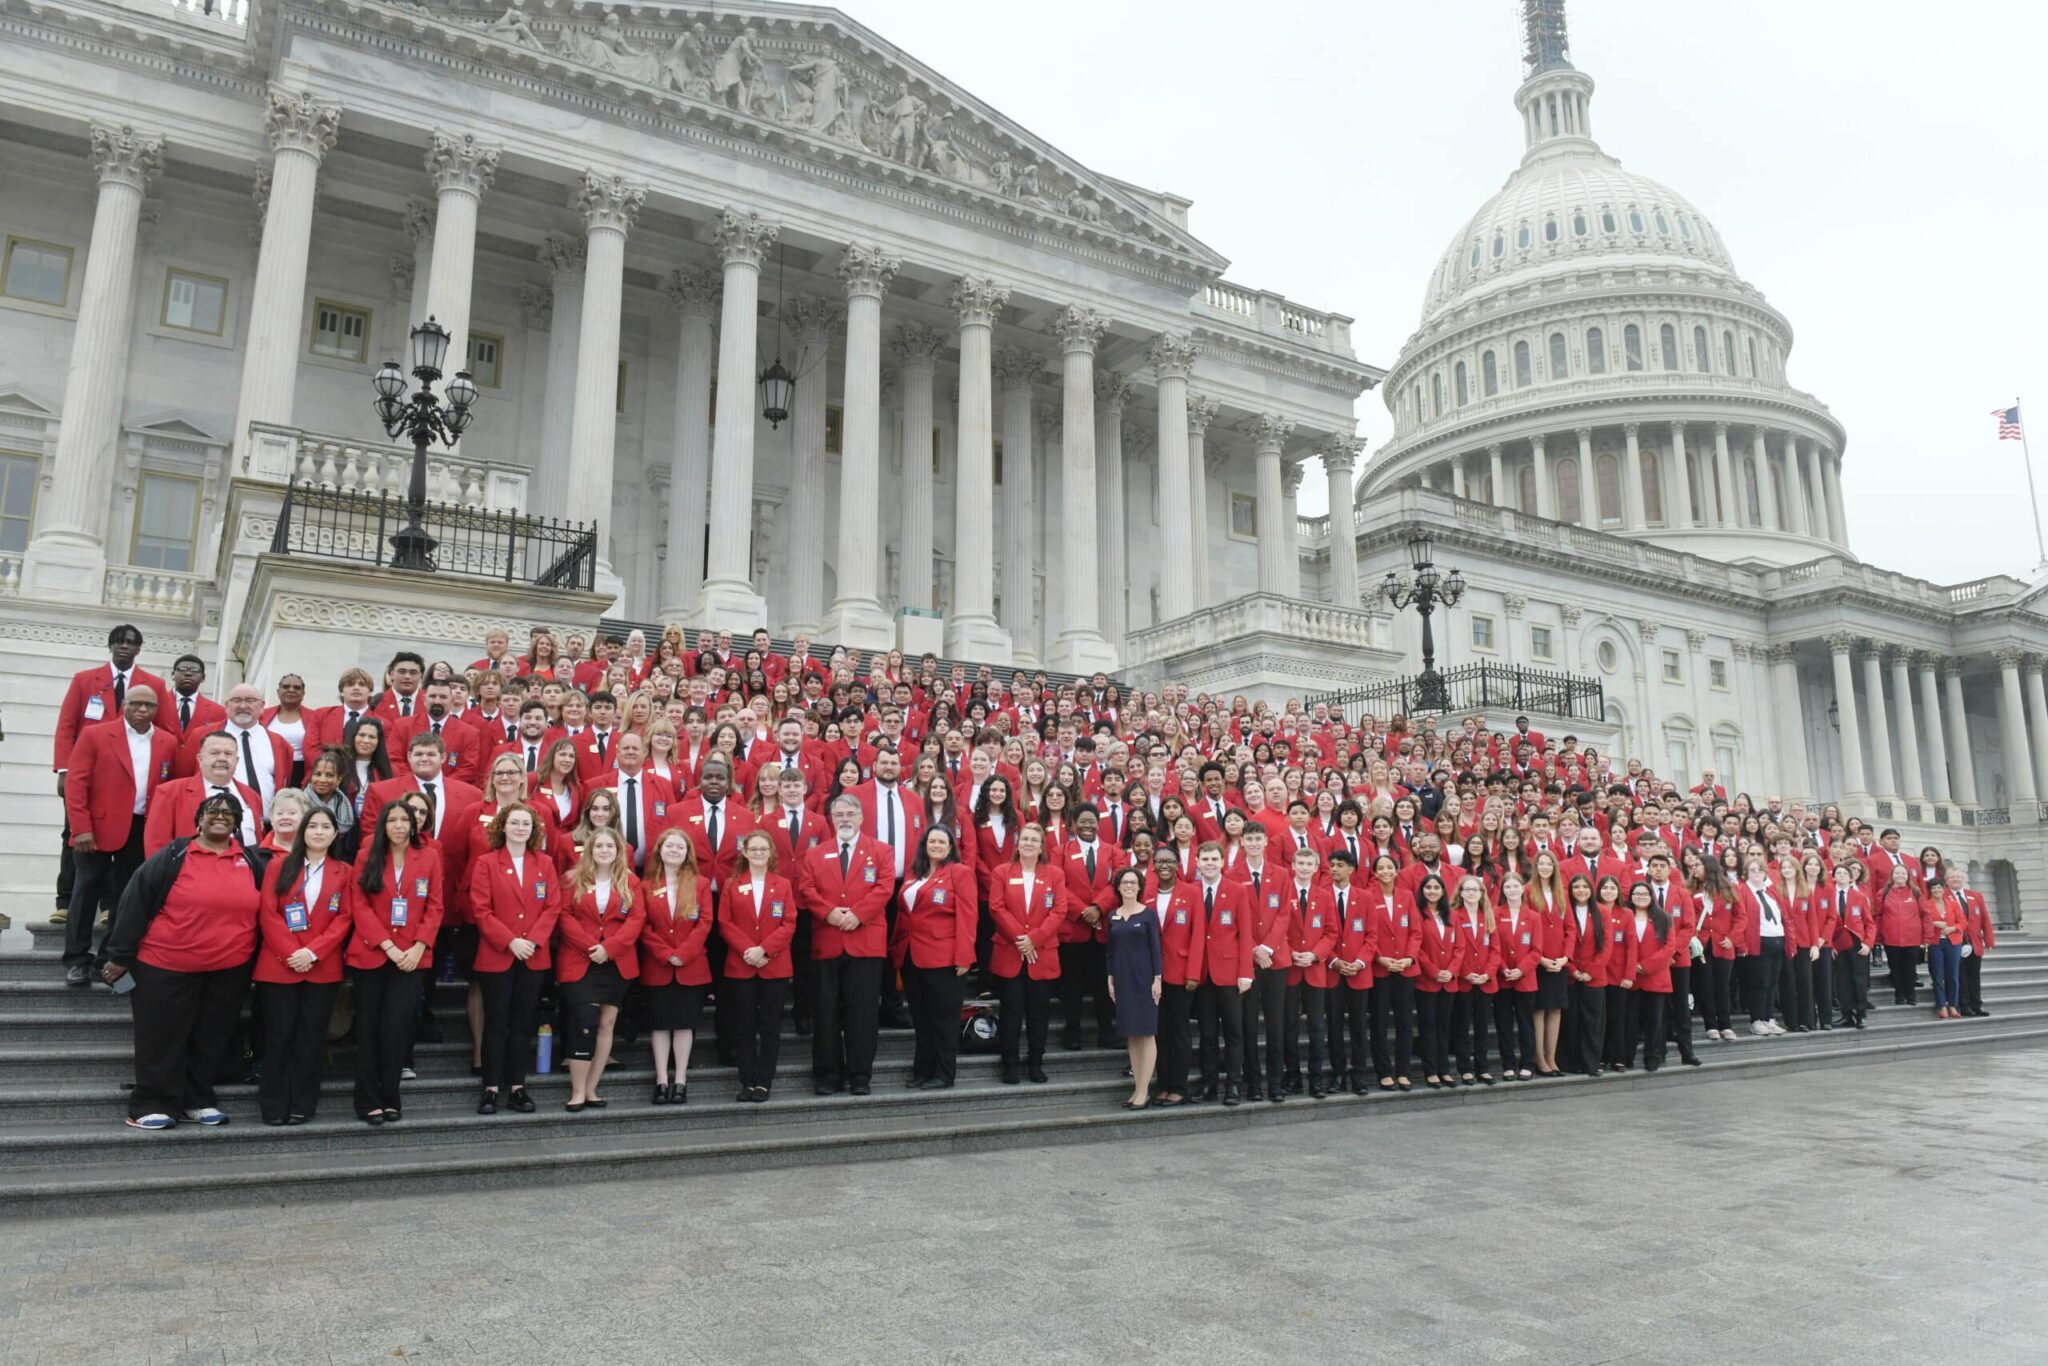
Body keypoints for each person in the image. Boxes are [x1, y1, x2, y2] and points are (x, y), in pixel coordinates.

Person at [100, 790, 267, 1130]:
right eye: (212, 811)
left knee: (209, 1038)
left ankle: (198, 1099)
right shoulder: (174, 855)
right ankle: (151, 1103)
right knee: (160, 1037)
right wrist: (119, 956)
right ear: (199, 820)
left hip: (227, 971)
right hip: (164, 966)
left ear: (237, 822)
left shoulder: (251, 861)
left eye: (228, 812)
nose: (220, 816)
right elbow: (135, 902)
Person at [62, 683, 177, 985]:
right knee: (86, 892)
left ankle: (107, 959)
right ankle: (76, 960)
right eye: (136, 703)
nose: (142, 710)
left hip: (141, 827)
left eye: (149, 706)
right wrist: (81, 828)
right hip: (96, 828)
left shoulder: (166, 741)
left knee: (128, 897)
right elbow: (76, 784)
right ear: (124, 704)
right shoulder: (95, 734)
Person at [344, 800, 443, 1124]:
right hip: (372, 954)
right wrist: (388, 945)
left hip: (411, 959)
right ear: (383, 824)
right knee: (370, 1028)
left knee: (397, 1029)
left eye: (406, 819)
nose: (401, 825)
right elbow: (359, 906)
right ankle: (367, 1100)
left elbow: (435, 906)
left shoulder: (429, 857)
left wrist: (418, 947)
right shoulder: (365, 856)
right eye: (394, 820)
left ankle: (391, 1097)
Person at [253, 806, 351, 1125]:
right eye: (313, 826)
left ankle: (302, 1104)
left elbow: (344, 918)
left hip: (321, 968)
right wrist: (292, 952)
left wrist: (313, 952)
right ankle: (273, 1104)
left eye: (326, 827)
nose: (319, 832)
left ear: (336, 834)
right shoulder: (278, 867)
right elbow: (268, 913)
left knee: (311, 1038)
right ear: (302, 832)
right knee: (278, 1036)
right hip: (279, 966)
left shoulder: (344, 872)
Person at [466, 802, 557, 1115]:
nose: (520, 829)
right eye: (515, 823)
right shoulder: (486, 863)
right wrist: (510, 941)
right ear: (503, 826)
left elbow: (552, 908)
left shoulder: (544, 863)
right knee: (496, 1023)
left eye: (526, 824)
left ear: (533, 831)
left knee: (522, 1023)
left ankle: (518, 1086)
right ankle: (491, 1087)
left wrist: (531, 942)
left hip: (533, 956)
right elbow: (481, 909)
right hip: (497, 955)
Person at [801, 795, 893, 1096]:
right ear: (830, 818)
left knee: (863, 1012)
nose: (844, 819)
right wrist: (829, 913)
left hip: (865, 942)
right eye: (838, 813)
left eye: (850, 813)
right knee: (825, 1012)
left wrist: (858, 914)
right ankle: (828, 1074)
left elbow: (884, 888)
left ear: (861, 817)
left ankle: (859, 1074)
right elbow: (807, 889)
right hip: (827, 941)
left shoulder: (881, 851)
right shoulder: (815, 854)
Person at [556, 829, 644, 1111]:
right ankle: (577, 1091)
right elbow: (564, 916)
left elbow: (636, 918)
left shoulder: (630, 881)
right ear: (589, 849)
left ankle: (592, 1089)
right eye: (599, 845)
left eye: (610, 845)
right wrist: (592, 947)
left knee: (607, 1024)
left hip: (616, 962)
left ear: (619, 851)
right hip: (581, 960)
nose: (604, 850)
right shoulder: (572, 879)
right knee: (584, 1022)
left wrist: (612, 948)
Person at [894, 824, 977, 1089]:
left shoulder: (959, 873)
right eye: (932, 841)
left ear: (951, 847)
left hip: (944, 958)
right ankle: (922, 1070)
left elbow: (968, 916)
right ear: (924, 845)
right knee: (921, 1020)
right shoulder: (913, 874)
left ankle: (944, 1073)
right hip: (911, 957)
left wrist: (964, 956)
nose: (937, 845)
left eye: (943, 841)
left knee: (944, 1020)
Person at [716, 829, 794, 1102]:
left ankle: (764, 1082)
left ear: (771, 853)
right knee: (744, 1025)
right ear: (745, 852)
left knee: (770, 1026)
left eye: (764, 849)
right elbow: (725, 922)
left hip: (775, 966)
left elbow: (789, 923)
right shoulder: (732, 884)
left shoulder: (782, 884)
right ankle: (747, 1081)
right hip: (742, 964)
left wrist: (765, 950)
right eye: (754, 849)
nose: (759, 853)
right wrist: (748, 950)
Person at [990, 821, 1067, 1085]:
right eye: (1025, 839)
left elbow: (1059, 911)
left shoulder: (1054, 874)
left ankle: (1036, 1062)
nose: (1029, 843)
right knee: (1011, 1012)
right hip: (1010, 952)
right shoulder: (1002, 871)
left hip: (1042, 954)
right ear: (1018, 843)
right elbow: (996, 908)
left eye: (1035, 840)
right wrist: (1020, 940)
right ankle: (1009, 1063)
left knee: (1038, 1014)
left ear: (1042, 846)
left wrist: (1034, 939)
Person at [642, 828, 714, 1103]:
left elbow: (705, 922)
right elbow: (643, 925)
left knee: (684, 1024)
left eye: (680, 847)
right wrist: (663, 952)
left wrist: (684, 953)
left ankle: (680, 1080)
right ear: (659, 850)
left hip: (690, 965)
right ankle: (661, 1080)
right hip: (657, 965)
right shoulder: (645, 886)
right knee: (660, 1025)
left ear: (687, 854)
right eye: (669, 846)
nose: (674, 850)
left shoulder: (701, 884)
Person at [1187, 842, 1253, 1106]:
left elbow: (1246, 934)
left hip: (1230, 972)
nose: (1210, 863)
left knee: (1234, 1033)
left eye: (1215, 858)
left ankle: (1233, 1085)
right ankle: (1209, 1083)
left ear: (1223, 862)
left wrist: (1246, 972)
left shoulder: (1236, 891)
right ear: (1198, 862)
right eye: (1205, 859)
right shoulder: (1190, 891)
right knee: (1207, 1033)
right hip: (1202, 973)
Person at [1103, 865, 1162, 1108]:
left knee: (1146, 1033)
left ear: (1139, 887)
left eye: (1133, 882)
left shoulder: (1148, 914)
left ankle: (1144, 1090)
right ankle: (1137, 1088)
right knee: (1132, 1035)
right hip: (1122, 979)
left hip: (1144, 979)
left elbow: (1156, 949)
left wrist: (1158, 978)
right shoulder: (1113, 915)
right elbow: (1110, 950)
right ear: (1118, 886)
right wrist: (1110, 976)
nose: (1128, 886)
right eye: (1124, 882)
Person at [1147, 846, 1201, 1106]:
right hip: (1151, 975)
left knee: (1179, 1032)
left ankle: (1179, 1086)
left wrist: (1193, 973)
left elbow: (1198, 935)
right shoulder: (1146, 893)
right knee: (1158, 1032)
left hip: (1181, 974)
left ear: (1178, 864)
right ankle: (1163, 1084)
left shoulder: (1191, 893)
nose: (1164, 865)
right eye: (1159, 861)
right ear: (1153, 865)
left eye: (1169, 861)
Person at [1618, 881, 1674, 1072]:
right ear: (1630, 896)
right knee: (1630, 1021)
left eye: (1644, 893)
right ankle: (1627, 1056)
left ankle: (1653, 1056)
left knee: (1654, 1021)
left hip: (1655, 977)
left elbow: (1668, 948)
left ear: (1651, 897)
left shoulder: (1664, 918)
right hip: (1630, 977)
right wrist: (1632, 967)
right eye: (1636, 893)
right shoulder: (1624, 916)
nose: (1640, 896)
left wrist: (1645, 965)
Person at [1412, 873, 1457, 1089]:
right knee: (1428, 1028)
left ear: (1443, 891)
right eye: (1428, 887)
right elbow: (1417, 947)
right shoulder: (1418, 914)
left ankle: (1444, 1070)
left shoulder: (1452, 915)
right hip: (1426, 981)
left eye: (1436, 887)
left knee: (1444, 1027)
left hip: (1448, 980)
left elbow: (1461, 947)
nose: (1432, 891)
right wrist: (1433, 970)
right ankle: (1430, 1071)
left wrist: (1451, 970)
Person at [1561, 873, 1607, 1077]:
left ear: (1591, 890)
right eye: (1576, 886)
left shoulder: (1602, 912)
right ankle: (1571, 1062)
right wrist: (1573, 970)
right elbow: (1562, 943)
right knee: (1571, 1021)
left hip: (1593, 978)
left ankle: (1591, 1063)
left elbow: (1606, 947)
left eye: (1585, 886)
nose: (1581, 890)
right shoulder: (1565, 911)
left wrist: (1590, 972)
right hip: (1571, 976)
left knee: (1592, 1023)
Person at [1876, 862, 1930, 1006]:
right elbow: (1877, 915)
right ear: (1892, 876)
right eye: (1897, 873)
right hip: (1891, 938)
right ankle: (1899, 995)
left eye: (1903, 873)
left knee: (1910, 968)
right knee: (1895, 968)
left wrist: (1927, 937)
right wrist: (1877, 936)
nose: (1900, 876)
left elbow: (1926, 915)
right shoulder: (1883, 893)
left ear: (1908, 876)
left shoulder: (1916, 892)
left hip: (1912, 938)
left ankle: (1910, 995)